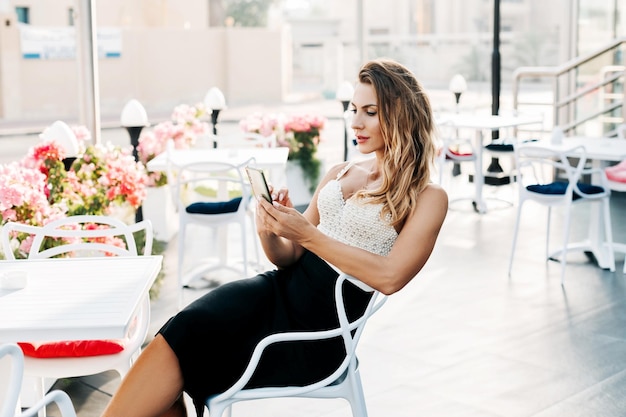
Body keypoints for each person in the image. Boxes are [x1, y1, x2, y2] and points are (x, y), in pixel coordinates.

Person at [101, 58, 448, 417]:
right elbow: (287, 256)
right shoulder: (341, 171)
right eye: (354, 109)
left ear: (402, 115)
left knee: (183, 349)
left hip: (315, 334)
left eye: (371, 112)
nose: (356, 122)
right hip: (273, 294)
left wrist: (308, 235)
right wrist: (270, 228)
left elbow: (391, 277)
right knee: (177, 337)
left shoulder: (428, 197)